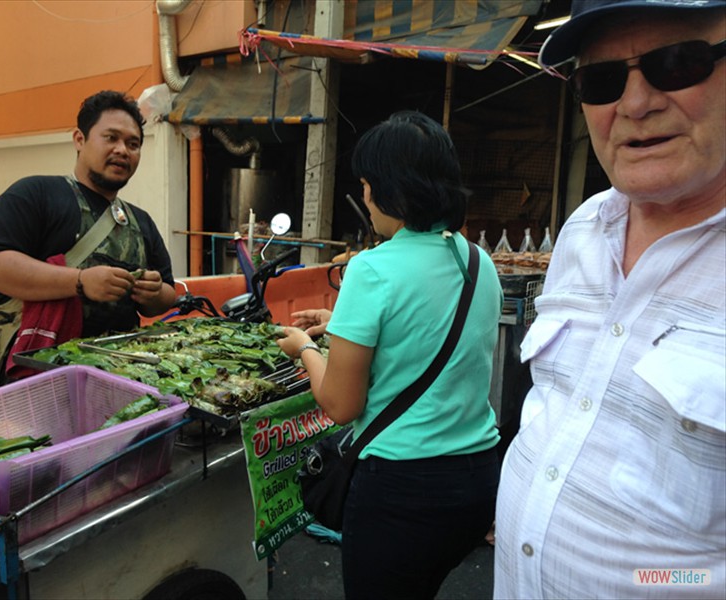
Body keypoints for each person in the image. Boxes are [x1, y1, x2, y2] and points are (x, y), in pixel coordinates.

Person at [494, 1, 726, 598]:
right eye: (602, 79)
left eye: (677, 62)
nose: (635, 103)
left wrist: (666, 582)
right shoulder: (584, 228)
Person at [277, 111, 503, 600]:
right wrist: (339, 325)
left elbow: (340, 404)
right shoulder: (480, 263)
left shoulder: (371, 269)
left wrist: (308, 348)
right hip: (479, 479)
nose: (364, 196)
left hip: (402, 489)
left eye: (365, 183)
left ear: (389, 188)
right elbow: (425, 332)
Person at [0, 90, 177, 342]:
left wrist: (154, 293)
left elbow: (168, 293)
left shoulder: (140, 221)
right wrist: (79, 281)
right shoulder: (35, 194)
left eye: (133, 144)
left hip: (117, 367)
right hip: (35, 366)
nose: (122, 150)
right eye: (111, 138)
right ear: (80, 139)